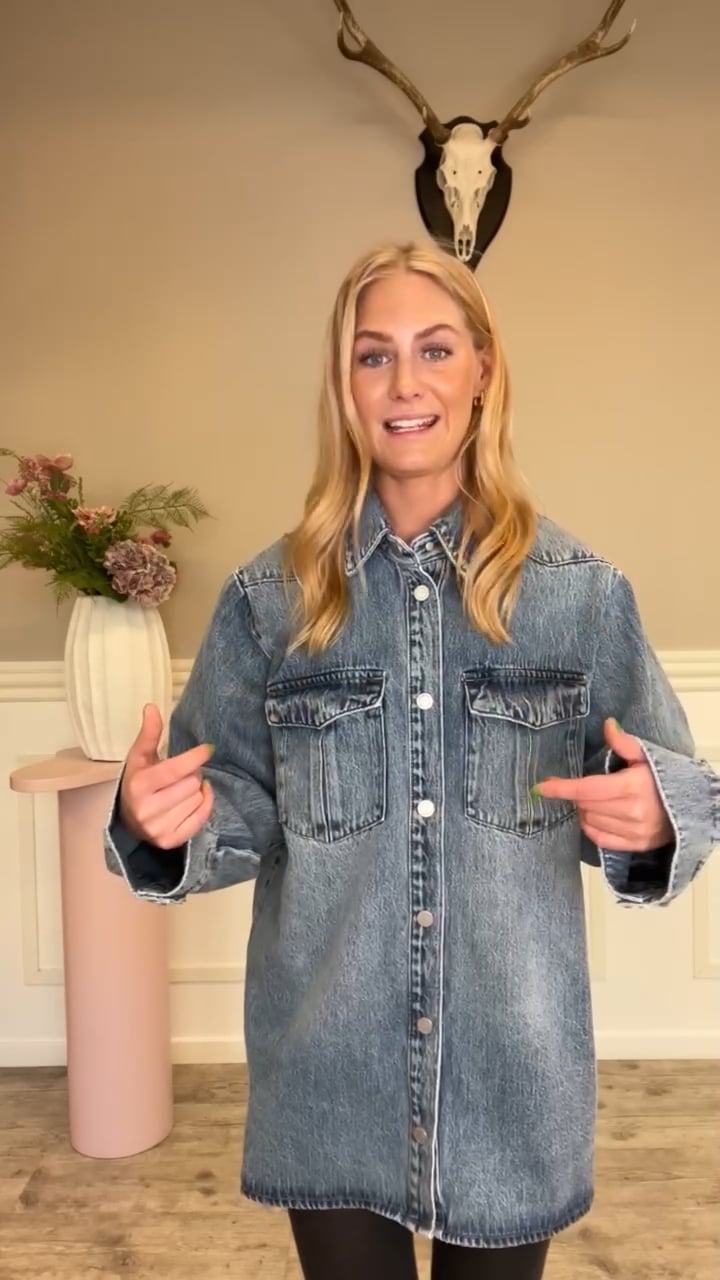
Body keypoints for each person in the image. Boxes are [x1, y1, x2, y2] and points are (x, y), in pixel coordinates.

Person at [105, 240, 719, 1280]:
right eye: (373, 354)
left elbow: (677, 790)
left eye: (435, 349)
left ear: (483, 369)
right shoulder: (268, 603)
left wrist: (657, 816)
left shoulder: (581, 595)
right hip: (329, 1068)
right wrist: (161, 823)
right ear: (343, 384)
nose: (405, 382)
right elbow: (235, 803)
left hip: (511, 1074)